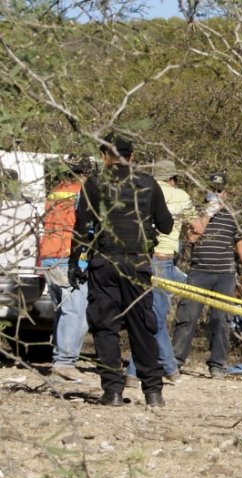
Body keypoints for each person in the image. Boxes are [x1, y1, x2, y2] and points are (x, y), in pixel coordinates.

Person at [69, 133, 173, 406]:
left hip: (104, 263)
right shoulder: (148, 184)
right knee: (141, 327)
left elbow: (80, 228)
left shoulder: (94, 184)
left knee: (105, 328)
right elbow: (167, 226)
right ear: (132, 156)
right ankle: (153, 393)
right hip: (137, 264)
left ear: (104, 156)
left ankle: (113, 392)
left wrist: (75, 264)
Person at [171, 173, 242, 378]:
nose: (215, 193)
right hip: (199, 272)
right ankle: (175, 361)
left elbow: (240, 243)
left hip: (225, 274)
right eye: (211, 189)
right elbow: (191, 236)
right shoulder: (195, 211)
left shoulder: (232, 215)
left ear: (225, 193)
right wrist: (208, 214)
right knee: (187, 316)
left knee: (221, 320)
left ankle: (217, 364)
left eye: (219, 190)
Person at [125, 160, 195, 387]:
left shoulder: (140, 191)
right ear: (172, 178)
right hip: (162, 260)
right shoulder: (180, 196)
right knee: (154, 318)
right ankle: (164, 369)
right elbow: (197, 230)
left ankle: (144, 371)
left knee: (149, 314)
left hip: (139, 257)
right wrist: (213, 208)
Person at [39, 154, 93, 383]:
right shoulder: (82, 192)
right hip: (67, 256)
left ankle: (59, 363)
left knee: (63, 311)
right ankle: (64, 362)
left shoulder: (55, 192)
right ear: (85, 174)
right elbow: (85, 225)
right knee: (76, 312)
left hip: (48, 256)